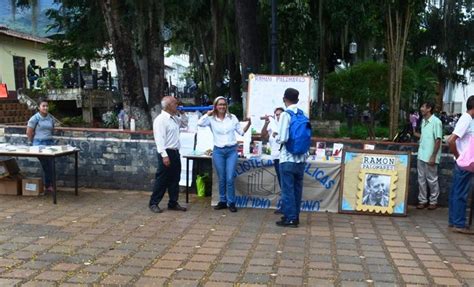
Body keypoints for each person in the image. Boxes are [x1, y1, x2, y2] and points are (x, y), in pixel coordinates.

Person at [197, 96, 251, 212]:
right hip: (218, 151)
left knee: (230, 177)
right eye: (219, 104)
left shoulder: (232, 118)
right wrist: (208, 113)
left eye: (224, 104)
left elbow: (241, 132)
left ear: (227, 106)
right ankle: (222, 201)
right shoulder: (211, 119)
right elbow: (200, 123)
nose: (222, 106)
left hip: (231, 150)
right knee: (221, 177)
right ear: (215, 106)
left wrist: (249, 124)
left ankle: (231, 202)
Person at [149, 96, 188, 213]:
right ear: (168, 106)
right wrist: (164, 155)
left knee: (175, 179)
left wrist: (183, 114)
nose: (177, 105)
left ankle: (173, 202)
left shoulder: (174, 118)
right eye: (175, 104)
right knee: (162, 179)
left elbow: (185, 124)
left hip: (175, 151)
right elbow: (159, 139)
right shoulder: (161, 120)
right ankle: (154, 203)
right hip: (166, 152)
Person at [275, 88, 307, 227]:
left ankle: (291, 218)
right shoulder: (303, 114)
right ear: (297, 100)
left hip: (287, 157)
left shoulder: (285, 115)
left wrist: (276, 138)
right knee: (297, 189)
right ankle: (294, 216)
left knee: (287, 190)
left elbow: (283, 137)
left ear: (284, 99)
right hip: (301, 158)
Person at [447, 95, 474, 234]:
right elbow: (451, 140)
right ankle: (458, 223)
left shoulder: (467, 119)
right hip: (465, 163)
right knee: (461, 193)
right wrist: (459, 157)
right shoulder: (466, 119)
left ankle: (454, 221)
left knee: (457, 191)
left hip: (464, 162)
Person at [414, 101, 442, 210]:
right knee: (421, 179)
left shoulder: (436, 122)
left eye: (423, 106)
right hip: (421, 155)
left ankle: (433, 201)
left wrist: (433, 156)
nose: (421, 109)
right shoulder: (423, 122)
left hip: (430, 156)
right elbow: (424, 136)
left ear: (429, 109)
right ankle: (422, 200)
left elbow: (438, 139)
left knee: (432, 179)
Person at [26, 98, 55, 194]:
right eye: (43, 106)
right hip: (39, 144)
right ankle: (48, 186)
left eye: (47, 106)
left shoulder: (50, 118)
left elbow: (52, 129)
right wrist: (31, 143)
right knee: (46, 165)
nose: (45, 108)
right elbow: (29, 132)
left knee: (51, 165)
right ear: (39, 107)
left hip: (49, 143)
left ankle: (49, 185)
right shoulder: (35, 118)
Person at [261, 107, 284, 213]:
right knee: (281, 182)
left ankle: (286, 206)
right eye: (276, 114)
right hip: (275, 157)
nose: (278, 116)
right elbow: (264, 136)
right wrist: (266, 123)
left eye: (280, 114)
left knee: (284, 183)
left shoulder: (285, 125)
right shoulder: (272, 124)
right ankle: (285, 205)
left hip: (283, 157)